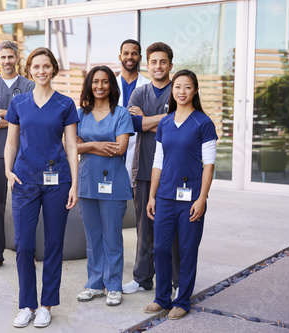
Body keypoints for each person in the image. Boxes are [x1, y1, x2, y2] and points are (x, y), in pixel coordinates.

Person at [4, 47, 79, 328]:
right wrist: (8, 171)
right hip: (24, 180)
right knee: (23, 245)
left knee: (53, 244)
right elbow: (11, 142)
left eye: (46, 66)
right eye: (36, 66)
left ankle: (46, 304)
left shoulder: (65, 104)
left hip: (57, 182)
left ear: (53, 69)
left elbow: (71, 145)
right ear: (29, 70)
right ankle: (27, 304)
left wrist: (73, 182)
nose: (41, 71)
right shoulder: (19, 103)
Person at [143, 69, 217, 319]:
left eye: (187, 87)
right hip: (164, 197)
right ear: (172, 91)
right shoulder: (165, 121)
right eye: (177, 87)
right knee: (161, 248)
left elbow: (209, 166)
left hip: (191, 200)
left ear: (195, 91)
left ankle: (182, 300)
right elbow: (158, 162)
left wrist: (201, 198)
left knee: (187, 250)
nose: (182, 92)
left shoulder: (203, 123)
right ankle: (162, 298)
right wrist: (152, 195)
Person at [122, 42, 180, 295]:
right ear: (148, 64)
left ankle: (177, 282)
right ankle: (142, 278)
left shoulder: (178, 90)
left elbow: (183, 126)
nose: (158, 66)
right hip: (144, 168)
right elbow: (132, 123)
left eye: (163, 62)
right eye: (154, 62)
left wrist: (148, 121)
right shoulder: (138, 93)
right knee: (144, 228)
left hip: (174, 171)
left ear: (170, 65)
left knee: (174, 229)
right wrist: (167, 120)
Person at [75, 66, 134, 307]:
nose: (100, 86)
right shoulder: (80, 114)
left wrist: (86, 143)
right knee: (93, 236)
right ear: (89, 85)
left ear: (112, 85)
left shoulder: (121, 114)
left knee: (112, 237)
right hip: (87, 181)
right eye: (95, 82)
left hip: (113, 182)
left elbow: (119, 148)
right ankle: (94, 284)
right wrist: (97, 146)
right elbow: (70, 147)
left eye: (105, 82)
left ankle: (113, 286)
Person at [0, 41, 35, 272]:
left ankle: (26, 252)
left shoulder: (30, 85)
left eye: (10, 57)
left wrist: (0, 115)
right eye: (3, 57)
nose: (7, 61)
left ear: (17, 58)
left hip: (24, 154)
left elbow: (30, 117)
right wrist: (13, 116)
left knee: (26, 206)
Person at [115, 39, 151, 187]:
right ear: (120, 57)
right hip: (114, 147)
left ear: (140, 58)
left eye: (134, 54)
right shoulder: (110, 86)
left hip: (139, 151)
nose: (130, 57)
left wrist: (144, 119)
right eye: (126, 53)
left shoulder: (148, 87)